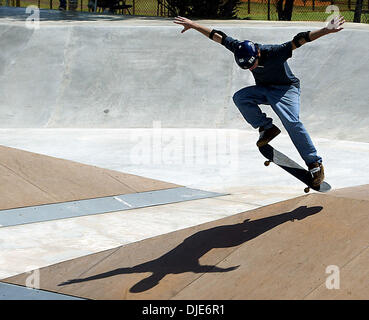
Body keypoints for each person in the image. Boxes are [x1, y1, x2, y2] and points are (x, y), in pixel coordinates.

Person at [173, 16, 345, 187]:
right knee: (240, 98)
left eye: (253, 64)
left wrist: (326, 30)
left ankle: (314, 163)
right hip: (265, 89)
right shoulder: (240, 48)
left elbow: (300, 39)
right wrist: (193, 25)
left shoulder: (275, 52)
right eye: (248, 68)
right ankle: (267, 128)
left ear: (258, 53)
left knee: (292, 122)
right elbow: (219, 37)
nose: (253, 68)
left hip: (285, 90)